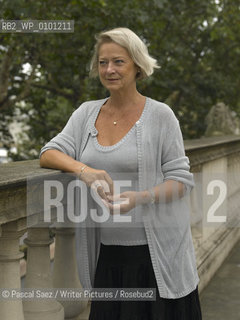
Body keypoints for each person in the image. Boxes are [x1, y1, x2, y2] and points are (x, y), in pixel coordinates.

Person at [40, 27, 202, 319]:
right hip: (108, 256)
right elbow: (48, 154)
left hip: (156, 258)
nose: (109, 69)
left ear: (137, 65)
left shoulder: (161, 116)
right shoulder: (86, 114)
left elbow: (180, 181)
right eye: (103, 62)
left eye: (118, 61)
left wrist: (140, 197)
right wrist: (84, 170)